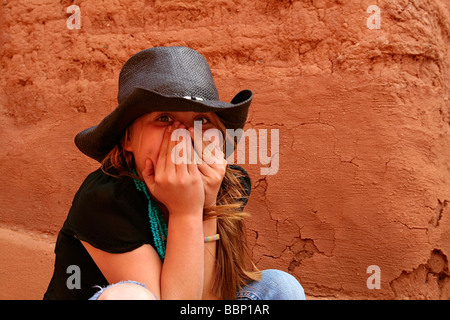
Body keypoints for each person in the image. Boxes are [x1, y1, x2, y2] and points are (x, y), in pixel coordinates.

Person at [43, 46, 305, 300]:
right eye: (165, 119)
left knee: (281, 287)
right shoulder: (106, 198)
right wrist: (186, 211)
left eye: (201, 121)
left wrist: (206, 205)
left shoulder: (228, 184)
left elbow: (207, 298)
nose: (183, 135)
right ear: (129, 139)